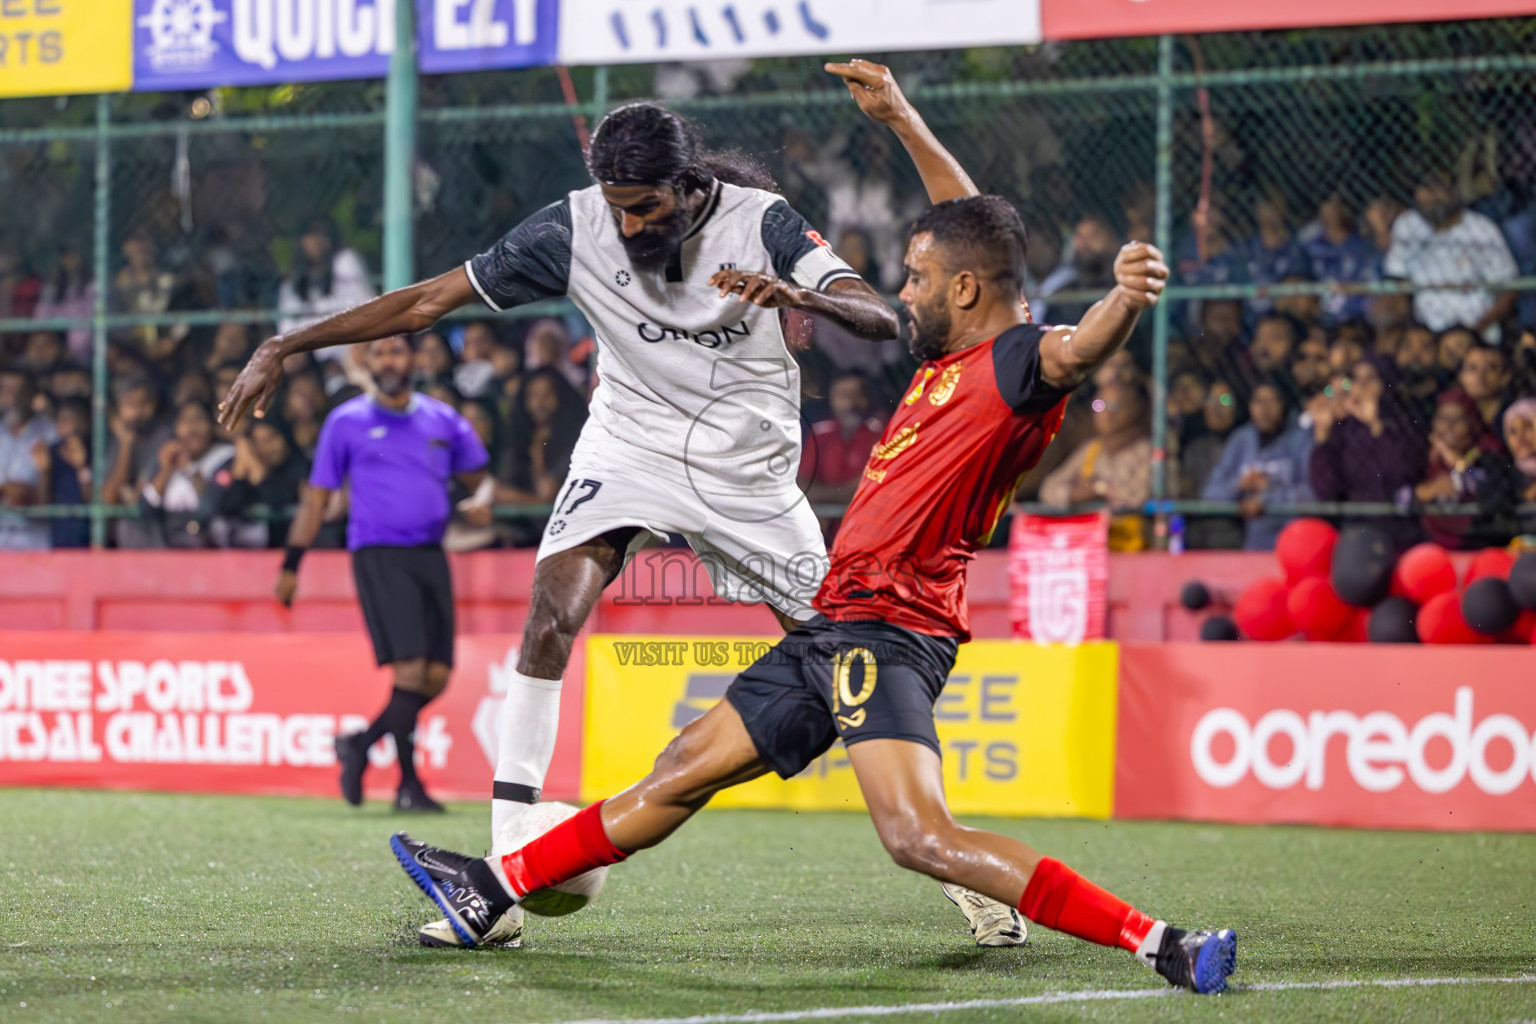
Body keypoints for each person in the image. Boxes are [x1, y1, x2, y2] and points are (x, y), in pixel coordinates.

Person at [387, 158, 1237, 1000]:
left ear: (969, 292)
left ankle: (1160, 942)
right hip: (837, 624)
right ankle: (491, 890)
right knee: (683, 766)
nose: (903, 292)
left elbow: (1074, 350)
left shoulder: (1015, 369)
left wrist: (1125, 297)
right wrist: (899, 121)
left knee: (917, 835)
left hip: (887, 634)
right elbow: (975, 224)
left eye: (917, 278)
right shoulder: (953, 357)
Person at [217, 95, 1040, 952]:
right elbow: (429, 302)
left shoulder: (765, 223)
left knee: (845, 660)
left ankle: (965, 877)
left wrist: (796, 293)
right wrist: (287, 345)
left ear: (689, 186)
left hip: (746, 473)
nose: (628, 221)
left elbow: (880, 316)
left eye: (644, 205)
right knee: (549, 616)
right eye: (615, 203)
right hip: (628, 448)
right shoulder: (573, 229)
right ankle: (501, 879)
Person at [278, 335, 492, 814]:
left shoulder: (443, 419)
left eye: (397, 351)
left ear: (413, 358)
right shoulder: (346, 421)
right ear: (366, 361)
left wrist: (481, 504)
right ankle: (408, 785)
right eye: (380, 352)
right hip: (379, 553)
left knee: (436, 677)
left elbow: (481, 480)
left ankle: (360, 744)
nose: (390, 360)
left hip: (431, 554)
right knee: (411, 671)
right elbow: (316, 499)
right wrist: (293, 563)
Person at [1309, 355, 1428, 550]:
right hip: (1356, 531)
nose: (1362, 387)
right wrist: (1322, 437)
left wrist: (1376, 426)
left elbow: (1400, 473)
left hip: (1401, 531)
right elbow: (1326, 490)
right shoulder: (1344, 428)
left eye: (1371, 379)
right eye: (1357, 379)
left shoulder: (1408, 424)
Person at [1384, 170, 1518, 341]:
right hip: (1426, 331)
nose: (1432, 196)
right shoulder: (1407, 225)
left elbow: (1509, 289)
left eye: (1439, 188)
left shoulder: (1481, 228)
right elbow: (1396, 279)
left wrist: (1476, 330)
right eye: (1426, 188)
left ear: (1454, 192)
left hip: (1476, 328)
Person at [1038, 381, 1153, 552]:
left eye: (1114, 406)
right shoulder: (1092, 449)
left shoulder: (1148, 451)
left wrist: (1101, 489)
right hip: (1090, 549)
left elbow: (1141, 496)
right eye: (1099, 406)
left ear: (1135, 408)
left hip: (1135, 549)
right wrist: (1075, 494)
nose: (1106, 414)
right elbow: (1048, 489)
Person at [1201, 380, 1315, 550]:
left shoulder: (1301, 438)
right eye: (1258, 402)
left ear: (1283, 405)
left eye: (1271, 401)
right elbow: (1210, 493)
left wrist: (1267, 498)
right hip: (1251, 544)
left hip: (1295, 540)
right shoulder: (1241, 439)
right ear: (1250, 406)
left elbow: (1313, 493)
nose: (1264, 409)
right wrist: (1239, 485)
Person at [1413, 389, 1513, 550]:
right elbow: (1401, 496)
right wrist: (1423, 492)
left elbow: (1488, 494)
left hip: (1481, 542)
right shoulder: (1424, 455)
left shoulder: (1488, 451)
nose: (1449, 426)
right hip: (1432, 545)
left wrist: (1453, 459)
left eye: (1458, 419)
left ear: (1473, 422)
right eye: (1443, 418)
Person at [140, 400, 234, 549]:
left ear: (211, 425)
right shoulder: (168, 455)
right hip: (168, 537)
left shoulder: (225, 456)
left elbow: (210, 506)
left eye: (198, 419)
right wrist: (166, 469)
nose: (192, 428)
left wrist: (189, 468)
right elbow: (146, 508)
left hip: (206, 539)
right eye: (184, 420)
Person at [0, 370, 58, 550]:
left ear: (31, 394)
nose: (13, 398)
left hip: (35, 537)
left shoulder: (50, 431)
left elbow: (54, 493)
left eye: (19, 391)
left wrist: (28, 490)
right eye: (6, 390)